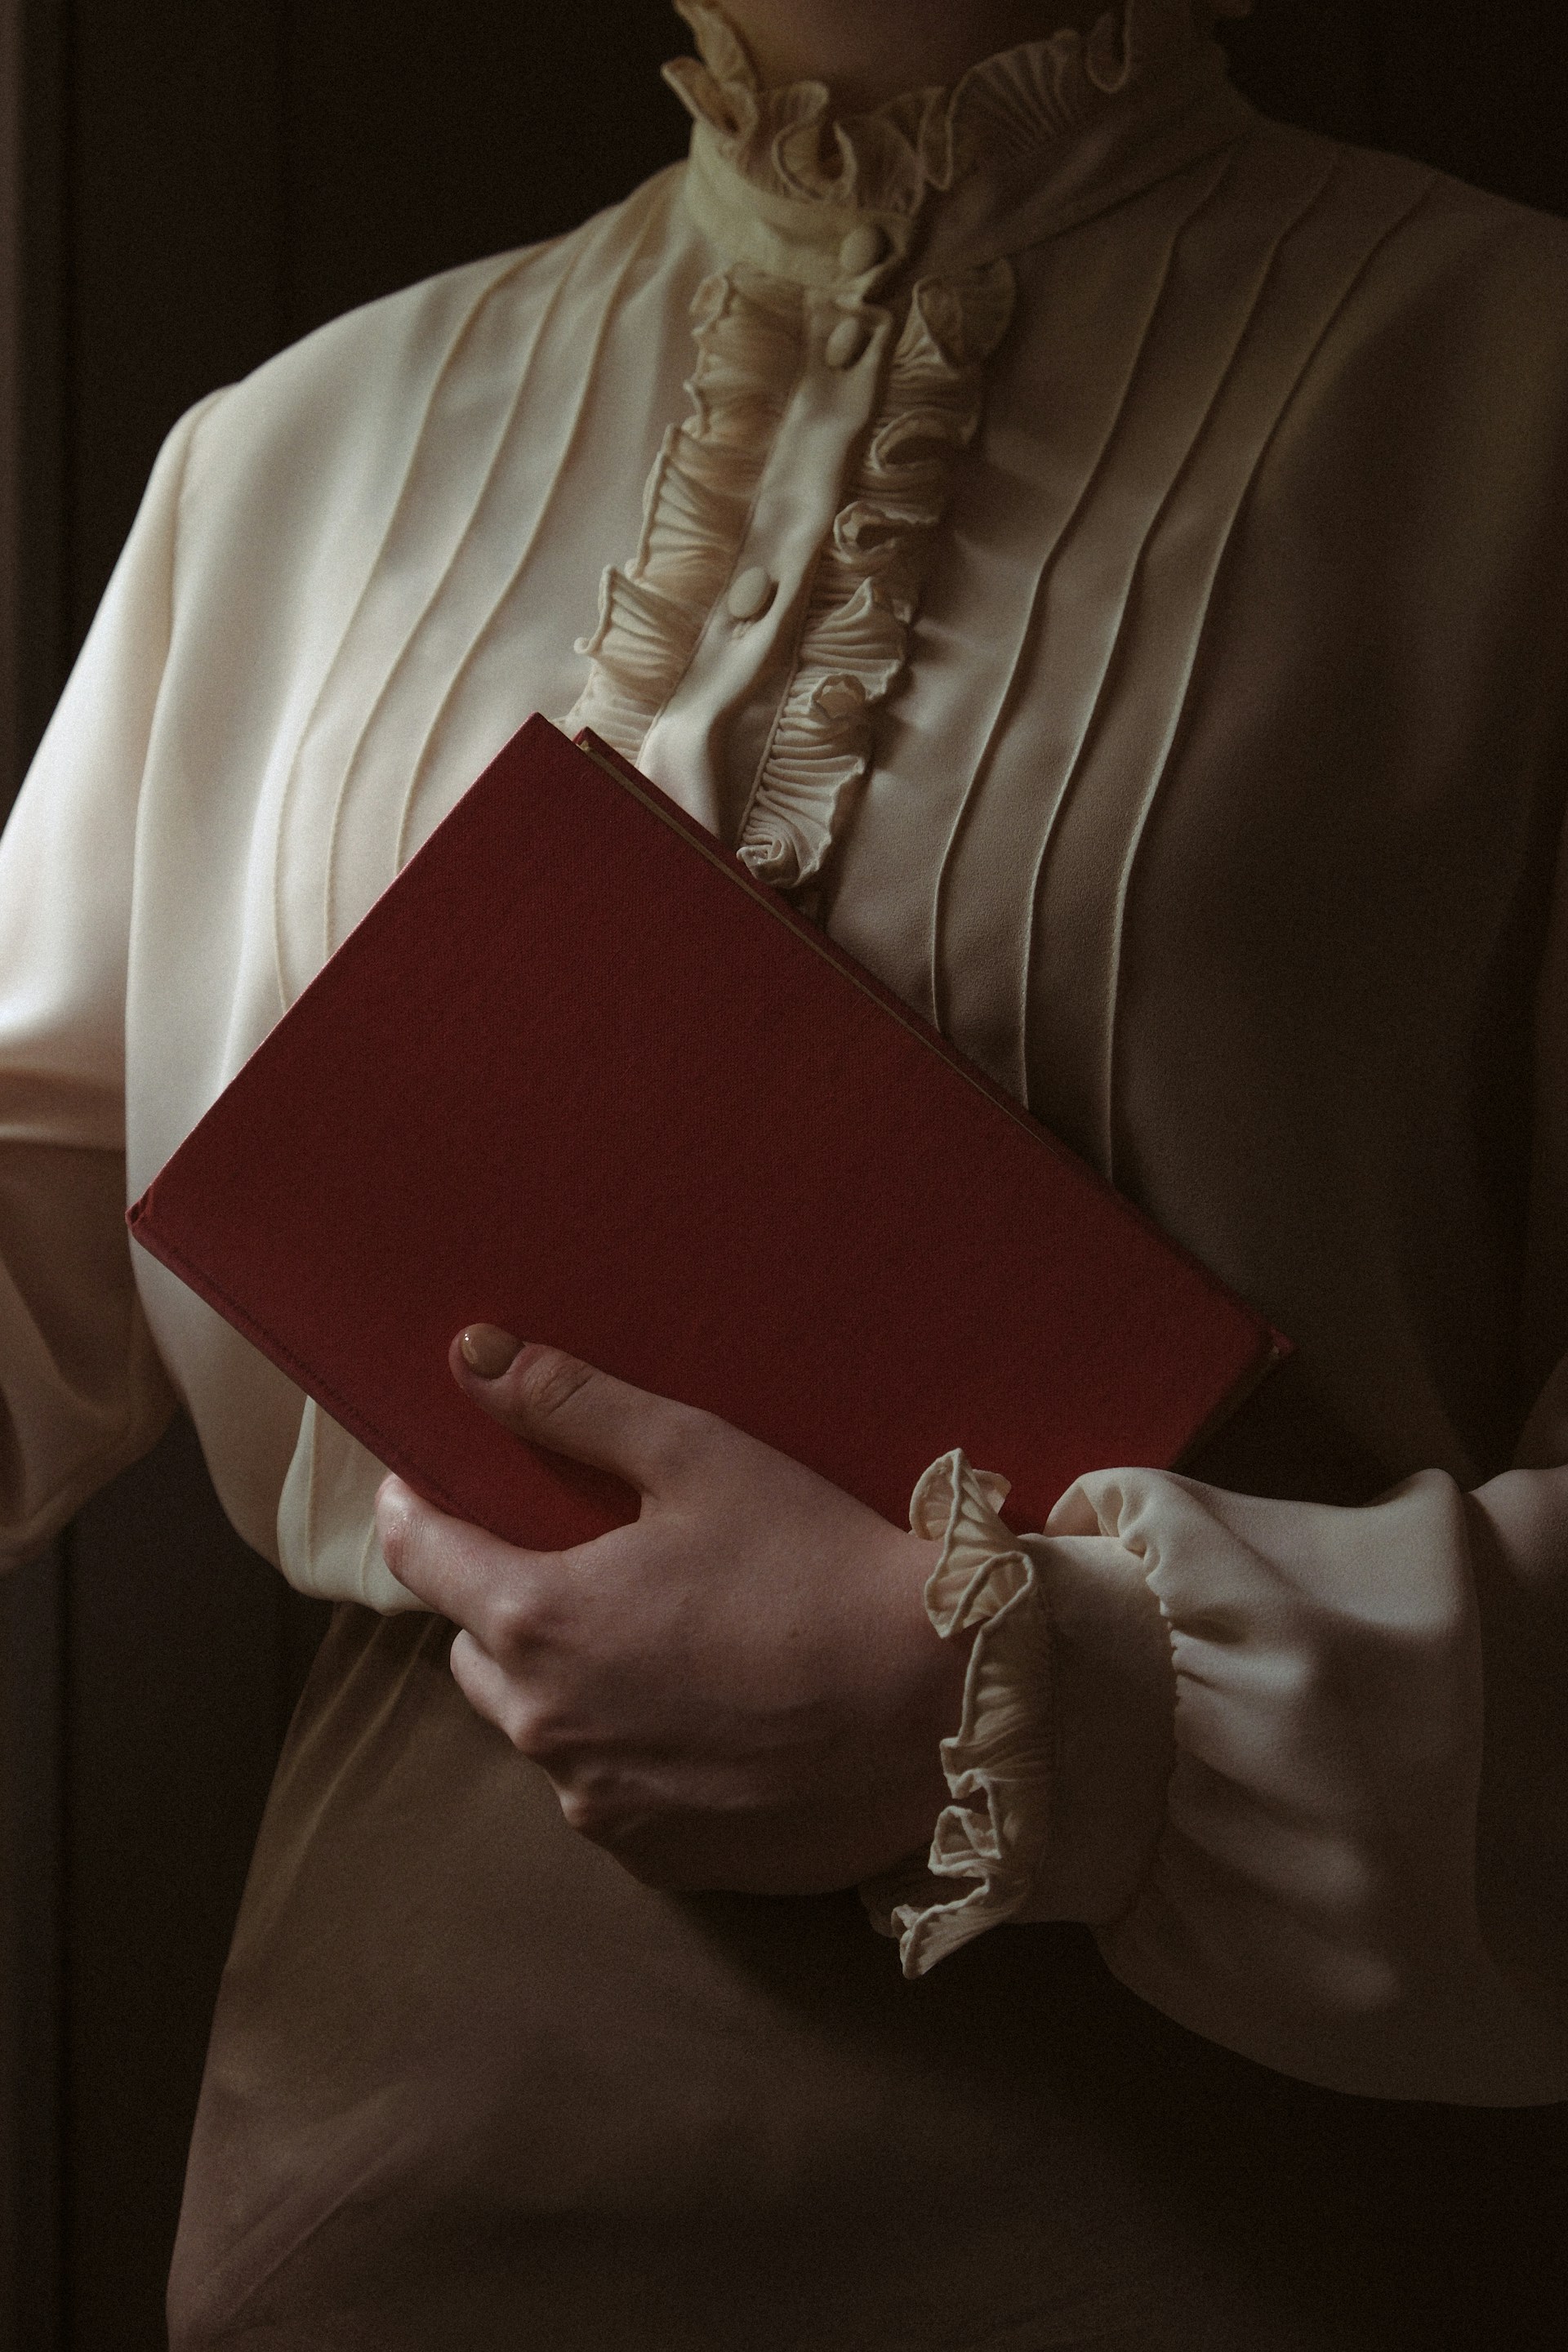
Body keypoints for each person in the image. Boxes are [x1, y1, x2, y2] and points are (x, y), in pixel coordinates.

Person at [0, 0, 1565, 2342]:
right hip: (395, 2135)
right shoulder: (297, 453)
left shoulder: (1521, 399)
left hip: (1227, 2139)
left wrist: (1065, 1714)